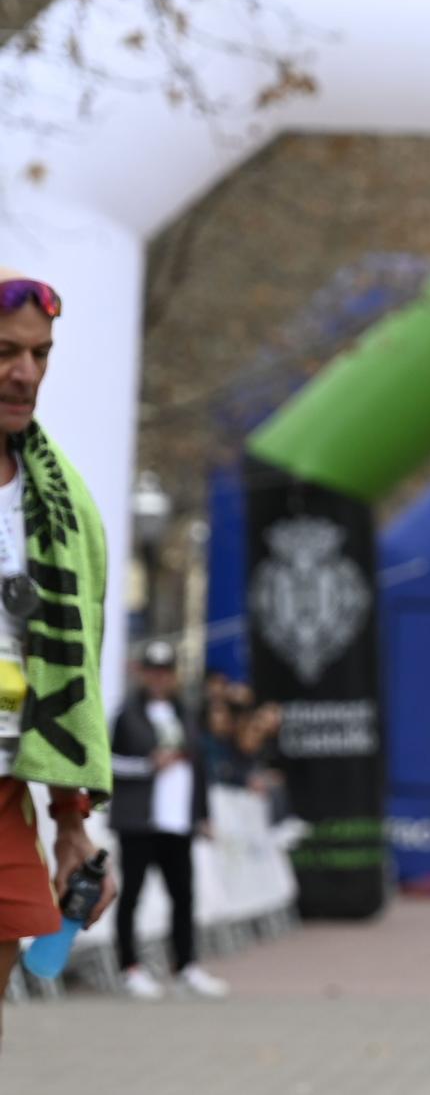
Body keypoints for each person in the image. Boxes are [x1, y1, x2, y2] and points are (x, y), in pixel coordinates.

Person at [0, 270, 117, 1045]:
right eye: (6, 352)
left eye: (41, 355)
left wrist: (72, 821)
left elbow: (66, 679)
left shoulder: (58, 499)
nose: (26, 373)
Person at [109, 638, 227, 1000]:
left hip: (178, 821)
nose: (160, 678)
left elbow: (199, 768)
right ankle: (130, 968)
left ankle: (185, 966)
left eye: (166, 671)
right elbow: (107, 764)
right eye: (153, 671)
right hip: (139, 821)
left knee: (183, 896)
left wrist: (203, 814)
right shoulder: (126, 714)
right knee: (132, 895)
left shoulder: (185, 713)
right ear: (142, 673)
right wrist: (148, 765)